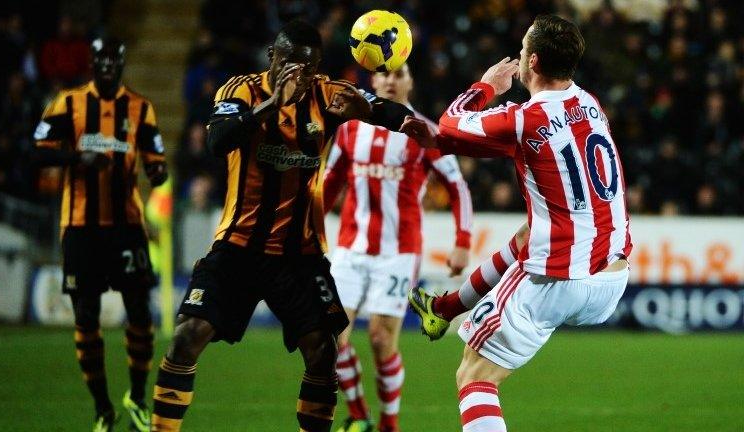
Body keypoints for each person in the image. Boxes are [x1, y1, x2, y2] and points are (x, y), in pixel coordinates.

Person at [149, 20, 411, 432]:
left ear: (317, 67)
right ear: (272, 56)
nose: (297, 75)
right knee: (187, 335)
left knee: (324, 353)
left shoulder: (329, 94)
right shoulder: (239, 90)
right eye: (289, 63)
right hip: (238, 246)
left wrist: (375, 112)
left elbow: (395, 115)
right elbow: (218, 140)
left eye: (307, 68)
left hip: (299, 255)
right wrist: (273, 104)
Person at [403, 15, 632, 431]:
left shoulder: (524, 118)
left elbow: (453, 122)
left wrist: (487, 85)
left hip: (558, 279)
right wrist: (442, 139)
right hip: (613, 276)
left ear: (533, 61)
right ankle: (445, 308)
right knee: (530, 231)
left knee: (474, 376)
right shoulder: (591, 105)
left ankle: (447, 312)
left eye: (523, 49)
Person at [322, 63, 473, 432]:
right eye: (383, 73)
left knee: (379, 339)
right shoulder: (348, 130)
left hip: (398, 252)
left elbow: (458, 187)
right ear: (372, 80)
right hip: (350, 249)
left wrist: (463, 242)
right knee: (329, 339)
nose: (390, 80)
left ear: (411, 80)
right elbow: (329, 183)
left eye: (399, 73)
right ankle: (360, 417)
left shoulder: (421, 131)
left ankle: (389, 425)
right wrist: (304, 230)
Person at [33, 38, 167, 432]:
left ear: (122, 65)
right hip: (80, 229)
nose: (107, 66)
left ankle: (137, 399)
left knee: (141, 315)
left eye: (114, 61)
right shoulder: (67, 103)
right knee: (86, 319)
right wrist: (75, 158)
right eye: (101, 60)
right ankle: (102, 409)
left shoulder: (141, 108)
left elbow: (156, 161)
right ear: (92, 63)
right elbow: (37, 151)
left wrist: (159, 174)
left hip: (127, 227)